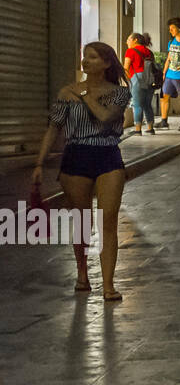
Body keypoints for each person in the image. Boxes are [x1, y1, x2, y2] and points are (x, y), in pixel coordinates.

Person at [31, 43, 132, 301]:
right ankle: (82, 273)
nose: (86, 61)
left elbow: (106, 118)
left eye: (93, 57)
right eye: (84, 56)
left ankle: (108, 284)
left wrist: (86, 96)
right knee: (82, 219)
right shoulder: (67, 93)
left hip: (107, 155)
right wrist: (40, 163)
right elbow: (53, 128)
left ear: (107, 63)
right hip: (76, 155)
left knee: (108, 221)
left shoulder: (119, 93)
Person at [122, 32, 156, 137]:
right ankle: (150, 128)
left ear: (135, 40)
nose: (126, 42)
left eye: (128, 39)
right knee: (147, 104)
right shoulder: (149, 52)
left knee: (137, 105)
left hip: (136, 79)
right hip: (150, 79)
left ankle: (138, 130)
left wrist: (126, 81)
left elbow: (126, 68)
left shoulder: (130, 51)